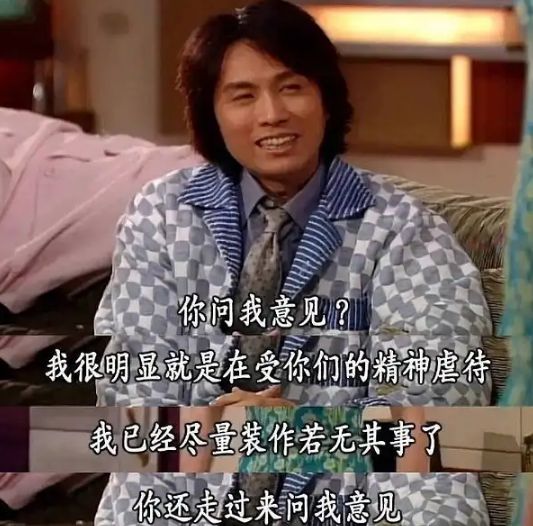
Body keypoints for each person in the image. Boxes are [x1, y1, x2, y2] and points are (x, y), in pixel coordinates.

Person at [93, 1, 492, 524]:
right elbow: (134, 393)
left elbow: (439, 405)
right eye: (243, 96)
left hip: (347, 494)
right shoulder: (162, 215)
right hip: (195, 488)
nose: (272, 114)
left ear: (326, 99)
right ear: (211, 113)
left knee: (433, 483)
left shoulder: (404, 229)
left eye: (291, 87)